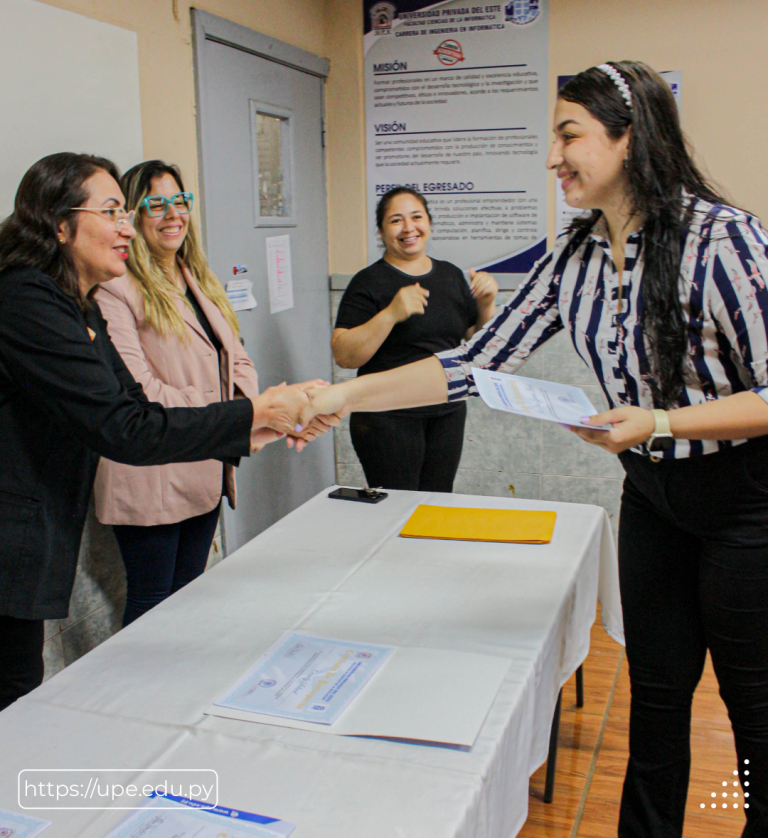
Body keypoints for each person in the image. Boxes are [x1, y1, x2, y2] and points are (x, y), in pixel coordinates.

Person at [303, 62, 768, 838]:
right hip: (651, 499)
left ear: (630, 138)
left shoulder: (724, 241)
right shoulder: (576, 254)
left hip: (747, 505)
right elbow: (472, 364)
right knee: (654, 697)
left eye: (569, 135)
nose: (554, 157)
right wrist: (341, 395)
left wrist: (657, 424)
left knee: (753, 707)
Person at [0, 153, 328, 711]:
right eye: (113, 211)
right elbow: (126, 425)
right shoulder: (26, 299)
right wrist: (259, 414)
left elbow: (130, 406)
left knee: (18, 683)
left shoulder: (74, 301)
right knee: (15, 690)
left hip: (38, 529)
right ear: (59, 224)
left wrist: (269, 419)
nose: (126, 226)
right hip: (16, 530)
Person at [93, 160, 262, 625]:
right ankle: (141, 695)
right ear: (132, 214)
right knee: (152, 604)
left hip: (204, 463)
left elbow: (236, 357)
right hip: (151, 471)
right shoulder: (116, 288)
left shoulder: (194, 277)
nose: (173, 214)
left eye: (180, 201)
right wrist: (227, 413)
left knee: (190, 596)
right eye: (157, 203)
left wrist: (247, 406)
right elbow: (140, 390)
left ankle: (176, 693)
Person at [332, 187, 497, 491]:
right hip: (386, 419)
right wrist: (391, 314)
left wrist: (486, 304)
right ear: (381, 231)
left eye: (416, 217)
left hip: (446, 413)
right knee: (398, 510)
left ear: (429, 224)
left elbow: (477, 341)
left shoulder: (449, 275)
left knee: (436, 507)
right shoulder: (368, 282)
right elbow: (344, 355)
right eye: (396, 220)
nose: (409, 228)